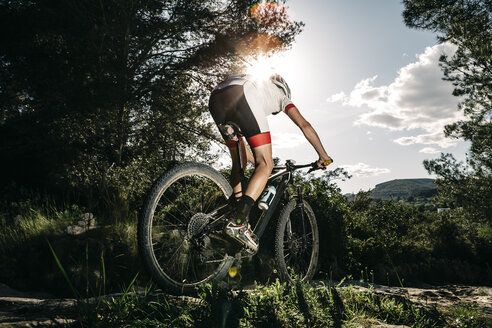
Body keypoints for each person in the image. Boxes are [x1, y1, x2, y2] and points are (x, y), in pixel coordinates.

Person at [209, 74, 332, 252]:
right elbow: (304, 125)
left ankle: (233, 213)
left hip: (216, 98)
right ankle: (238, 222)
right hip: (244, 94)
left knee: (239, 162)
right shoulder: (281, 96)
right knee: (267, 165)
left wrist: (257, 161)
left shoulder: (259, 83)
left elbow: (249, 155)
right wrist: (323, 156)